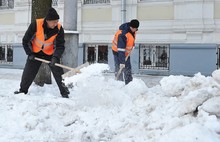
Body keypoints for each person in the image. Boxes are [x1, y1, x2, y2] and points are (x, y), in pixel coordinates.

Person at [14, 7, 70, 98]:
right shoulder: (36, 24)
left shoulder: (59, 28)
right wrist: (30, 53)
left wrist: (55, 57)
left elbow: (60, 45)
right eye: (54, 22)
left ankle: (65, 92)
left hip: (50, 54)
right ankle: (22, 90)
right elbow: (25, 41)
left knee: (58, 72)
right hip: (35, 53)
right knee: (28, 72)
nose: (56, 24)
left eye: (57, 21)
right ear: (47, 20)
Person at [112, 19, 139, 84]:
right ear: (131, 27)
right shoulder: (123, 34)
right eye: (134, 29)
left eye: (136, 29)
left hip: (126, 53)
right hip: (118, 53)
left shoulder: (133, 31)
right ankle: (118, 83)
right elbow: (121, 49)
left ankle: (129, 83)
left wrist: (132, 45)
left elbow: (131, 39)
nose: (135, 30)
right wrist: (122, 61)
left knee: (127, 68)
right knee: (119, 68)